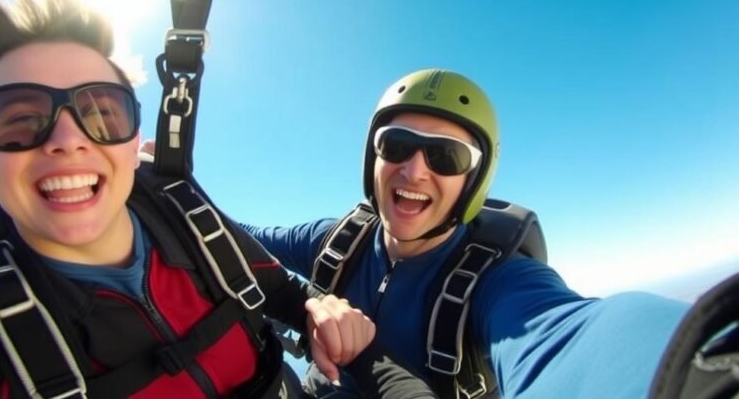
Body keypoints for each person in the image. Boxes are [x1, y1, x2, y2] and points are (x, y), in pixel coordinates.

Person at [0, 0, 434, 399]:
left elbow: (280, 292)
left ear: (132, 139)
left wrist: (327, 313)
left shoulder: (183, 213)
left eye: (100, 111)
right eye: (20, 119)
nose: (67, 139)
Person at [243, 69, 691, 399]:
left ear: (474, 181)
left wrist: (698, 368)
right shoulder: (340, 242)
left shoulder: (495, 281)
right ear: (373, 157)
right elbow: (236, 238)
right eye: (396, 145)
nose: (414, 169)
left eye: (446, 157)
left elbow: (571, 339)